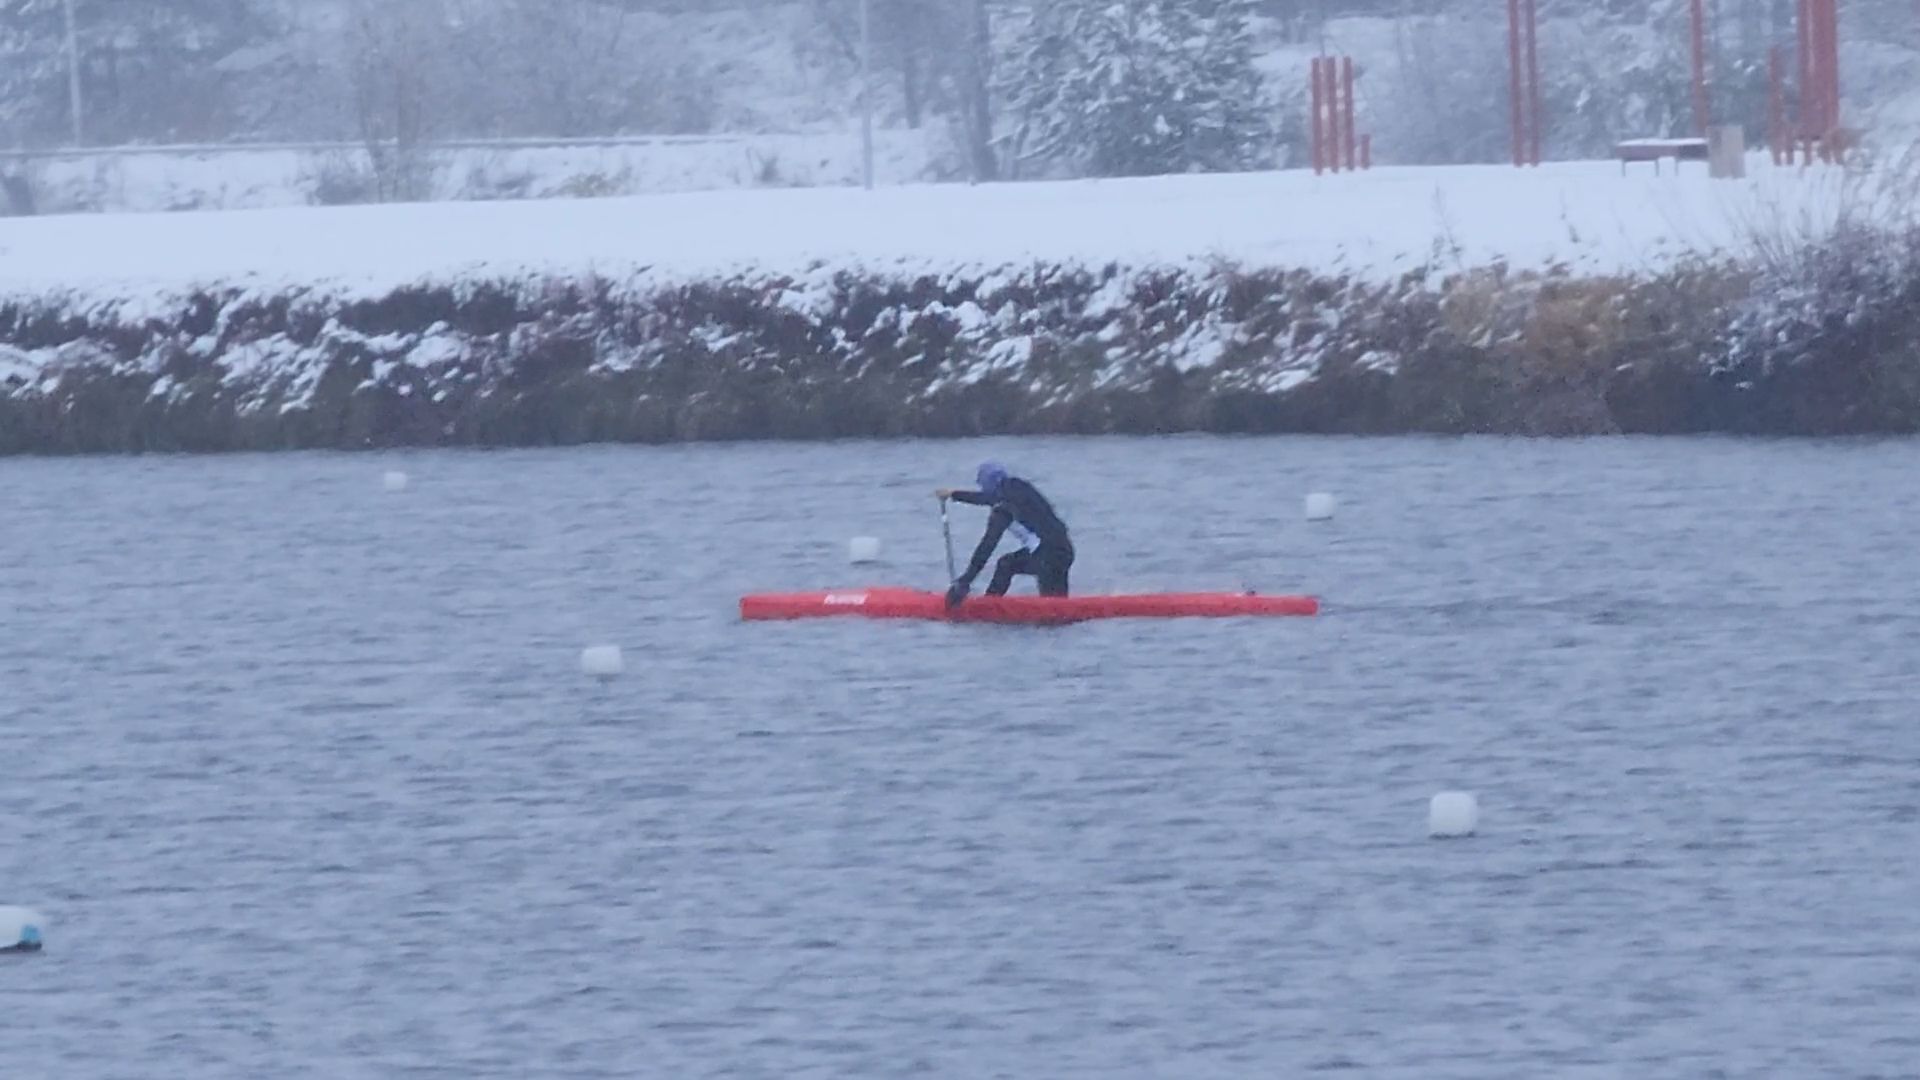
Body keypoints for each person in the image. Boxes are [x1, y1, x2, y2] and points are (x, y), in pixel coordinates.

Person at [937, 462, 1073, 607]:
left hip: (1046, 557)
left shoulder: (1003, 507)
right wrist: (954, 495)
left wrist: (965, 581)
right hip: (1065, 552)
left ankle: (989, 606)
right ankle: (1065, 614)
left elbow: (987, 546)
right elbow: (986, 500)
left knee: (1006, 564)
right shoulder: (1021, 489)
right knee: (1056, 604)